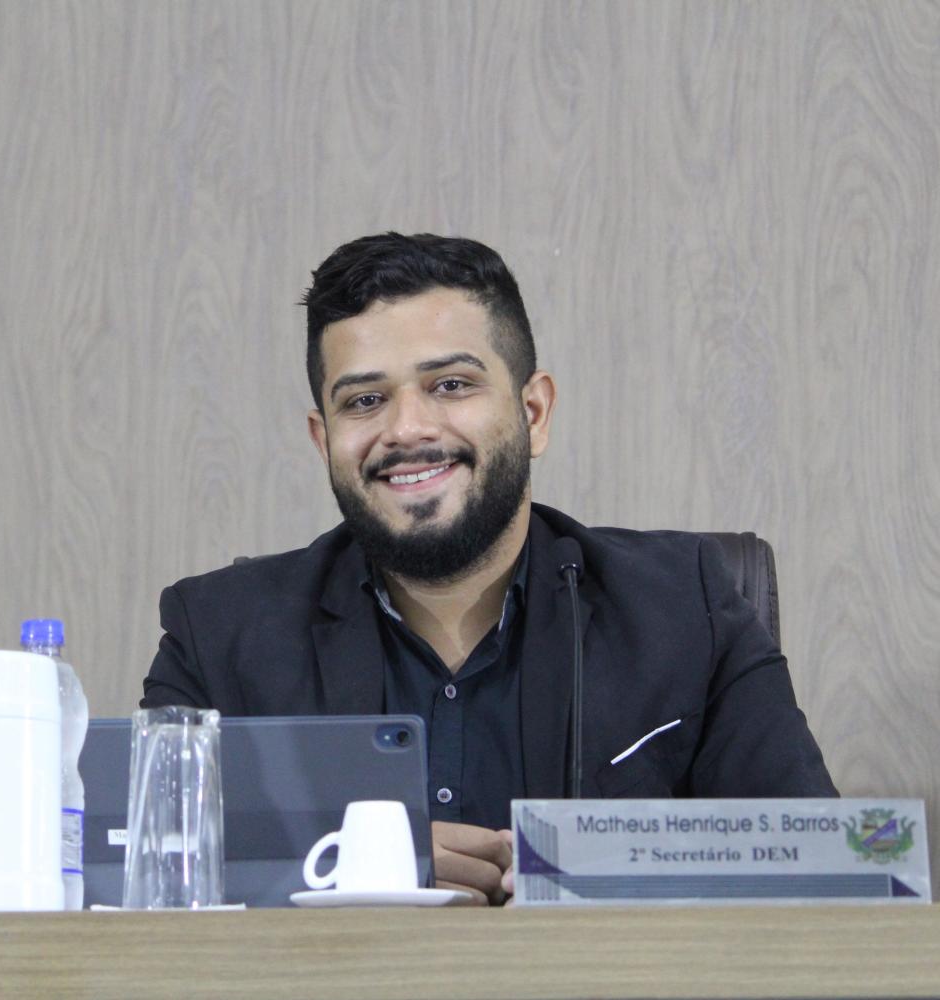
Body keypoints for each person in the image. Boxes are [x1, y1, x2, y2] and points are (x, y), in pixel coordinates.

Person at [143, 232, 836, 905]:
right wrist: (348, 866)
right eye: (364, 401)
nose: (406, 429)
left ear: (534, 413)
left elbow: (820, 875)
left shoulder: (687, 607)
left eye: (450, 384)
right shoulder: (218, 637)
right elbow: (144, 876)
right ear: (325, 441)